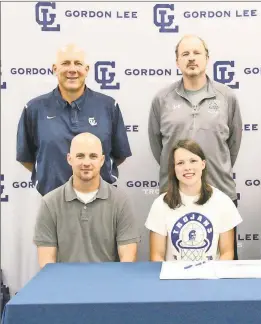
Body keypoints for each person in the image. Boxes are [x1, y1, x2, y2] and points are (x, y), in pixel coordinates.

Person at [148, 35, 242, 259]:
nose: (191, 59)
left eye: (197, 53)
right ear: (177, 61)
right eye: (185, 54)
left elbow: (233, 145)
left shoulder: (226, 97)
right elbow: (157, 146)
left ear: (207, 58)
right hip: (174, 196)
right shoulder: (162, 99)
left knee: (224, 268)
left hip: (220, 193)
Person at [16, 43, 131, 196]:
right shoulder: (34, 109)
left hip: (100, 201)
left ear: (87, 70)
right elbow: (26, 157)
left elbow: (118, 154)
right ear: (54, 69)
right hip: (52, 201)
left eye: (78, 64)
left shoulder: (108, 106)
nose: (72, 69)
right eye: (65, 63)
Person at [33, 133, 139, 268]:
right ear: (69, 159)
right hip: (65, 286)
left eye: (93, 156)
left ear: (102, 160)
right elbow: (46, 263)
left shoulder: (120, 201)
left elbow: (128, 259)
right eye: (80, 156)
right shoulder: (49, 203)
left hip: (108, 285)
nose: (86, 163)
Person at [145, 139, 243, 262]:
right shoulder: (160, 204)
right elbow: (157, 256)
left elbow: (227, 253)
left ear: (203, 164)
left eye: (193, 161)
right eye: (180, 163)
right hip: (174, 279)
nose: (187, 167)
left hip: (211, 278)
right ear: (174, 168)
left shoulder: (223, 202)